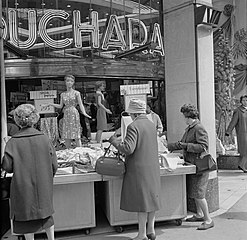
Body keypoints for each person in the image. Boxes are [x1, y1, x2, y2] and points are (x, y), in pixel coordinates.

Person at [1, 104, 58, 240]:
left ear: (17, 120)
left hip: (22, 187)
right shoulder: (45, 139)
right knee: (46, 216)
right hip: (43, 185)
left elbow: (7, 167)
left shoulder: (12, 142)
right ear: (35, 118)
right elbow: (54, 165)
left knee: (26, 219)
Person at [109, 99, 161, 240]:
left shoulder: (133, 126)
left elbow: (128, 149)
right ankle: (151, 230)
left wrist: (114, 141)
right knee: (151, 199)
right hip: (152, 167)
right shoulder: (151, 124)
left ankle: (142, 234)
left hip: (139, 169)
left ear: (133, 113)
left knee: (141, 202)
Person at [167, 104, 214, 230]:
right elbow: (182, 144)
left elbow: (203, 146)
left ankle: (208, 219)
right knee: (194, 191)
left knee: (199, 194)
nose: (183, 118)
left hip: (200, 166)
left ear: (188, 116)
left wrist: (186, 146)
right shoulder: (191, 128)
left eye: (184, 116)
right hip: (193, 165)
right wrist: (169, 146)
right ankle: (199, 214)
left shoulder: (198, 128)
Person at [45, 74, 91, 148]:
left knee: (76, 134)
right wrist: (51, 104)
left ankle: (80, 150)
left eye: (71, 81)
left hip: (74, 112)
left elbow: (81, 104)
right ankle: (68, 150)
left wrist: (84, 113)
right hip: (66, 113)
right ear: (65, 82)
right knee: (67, 134)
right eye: (68, 81)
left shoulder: (76, 93)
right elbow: (60, 106)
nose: (69, 82)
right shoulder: (63, 94)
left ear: (73, 83)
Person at [225, 95, 247, 172]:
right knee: (245, 150)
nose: (245, 102)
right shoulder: (238, 111)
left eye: (246, 100)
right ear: (241, 101)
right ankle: (241, 165)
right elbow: (233, 122)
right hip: (243, 133)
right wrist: (228, 131)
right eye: (243, 100)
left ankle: (243, 165)